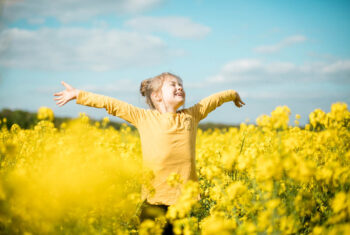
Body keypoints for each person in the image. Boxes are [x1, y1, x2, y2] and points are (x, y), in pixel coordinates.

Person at [53, 72, 245, 234]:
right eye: (173, 85)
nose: (179, 87)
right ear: (156, 96)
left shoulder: (192, 115)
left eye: (181, 85)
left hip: (184, 199)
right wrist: (78, 94)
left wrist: (232, 94)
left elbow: (213, 100)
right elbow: (111, 104)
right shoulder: (143, 117)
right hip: (153, 199)